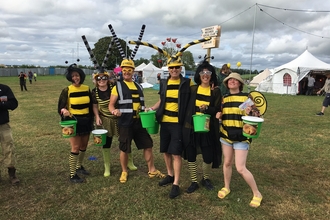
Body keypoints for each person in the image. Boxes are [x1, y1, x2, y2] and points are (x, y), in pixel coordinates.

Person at [108, 59, 165, 183]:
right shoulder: (117, 86)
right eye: (124, 70)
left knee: (148, 145)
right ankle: (124, 171)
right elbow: (111, 105)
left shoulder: (139, 86)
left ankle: (152, 170)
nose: (127, 72)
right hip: (125, 122)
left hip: (140, 122)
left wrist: (147, 111)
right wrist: (114, 111)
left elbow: (140, 104)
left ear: (133, 71)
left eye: (129, 70)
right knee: (124, 148)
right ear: (121, 71)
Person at [216, 72, 263, 208]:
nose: (232, 81)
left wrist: (251, 112)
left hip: (241, 137)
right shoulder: (224, 98)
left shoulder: (246, 98)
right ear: (227, 83)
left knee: (241, 168)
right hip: (226, 135)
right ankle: (226, 187)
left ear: (240, 83)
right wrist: (219, 115)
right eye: (229, 80)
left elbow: (257, 115)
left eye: (235, 80)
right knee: (227, 163)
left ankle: (257, 193)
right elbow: (221, 114)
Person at [148, 57, 192, 199]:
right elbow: (162, 99)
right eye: (172, 68)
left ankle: (176, 184)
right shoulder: (164, 82)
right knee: (166, 151)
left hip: (178, 124)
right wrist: (152, 108)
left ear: (181, 68)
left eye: (177, 67)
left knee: (176, 153)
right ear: (168, 69)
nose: (174, 70)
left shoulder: (186, 83)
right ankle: (169, 174)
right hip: (164, 122)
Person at [182, 60, 222, 194]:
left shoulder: (215, 92)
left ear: (211, 75)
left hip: (207, 128)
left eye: (208, 72)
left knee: (208, 156)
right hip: (192, 128)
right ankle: (194, 181)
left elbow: (217, 109)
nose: (205, 75)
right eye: (202, 72)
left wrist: (207, 109)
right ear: (199, 75)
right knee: (191, 155)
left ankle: (206, 178)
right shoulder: (192, 89)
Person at [92, 68, 137, 177]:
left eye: (104, 78)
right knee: (106, 142)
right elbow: (94, 106)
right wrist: (97, 116)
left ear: (107, 79)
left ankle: (130, 162)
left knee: (125, 140)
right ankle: (107, 166)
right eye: (99, 78)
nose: (101, 80)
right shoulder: (94, 92)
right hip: (105, 119)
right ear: (96, 80)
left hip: (119, 118)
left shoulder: (114, 87)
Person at [58, 64, 94, 183]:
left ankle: (79, 167)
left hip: (86, 121)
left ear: (81, 76)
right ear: (70, 77)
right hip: (73, 122)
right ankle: (72, 175)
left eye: (77, 75)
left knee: (84, 146)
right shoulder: (67, 90)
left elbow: (91, 105)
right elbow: (61, 107)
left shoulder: (87, 88)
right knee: (75, 147)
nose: (75, 78)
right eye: (73, 76)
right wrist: (64, 110)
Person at [0, 84, 20, 185]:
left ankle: (12, 173)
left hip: (3, 125)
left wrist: (2, 105)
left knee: (8, 148)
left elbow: (14, 103)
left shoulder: (4, 89)